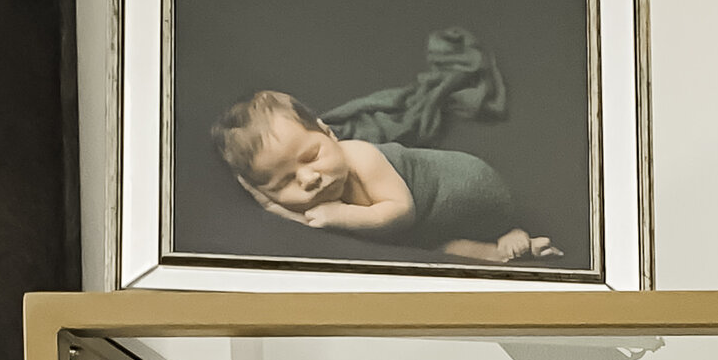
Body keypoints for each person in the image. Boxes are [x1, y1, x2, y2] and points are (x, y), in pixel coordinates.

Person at [207, 90, 558, 263]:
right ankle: (504, 251)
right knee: (446, 251)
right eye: (283, 182)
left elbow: (400, 210)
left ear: (328, 133)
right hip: (432, 229)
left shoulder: (361, 156)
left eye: (311, 156)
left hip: (465, 189)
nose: (309, 179)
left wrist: (341, 214)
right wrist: (270, 204)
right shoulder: (312, 195)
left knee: (470, 221)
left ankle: (507, 227)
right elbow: (304, 218)